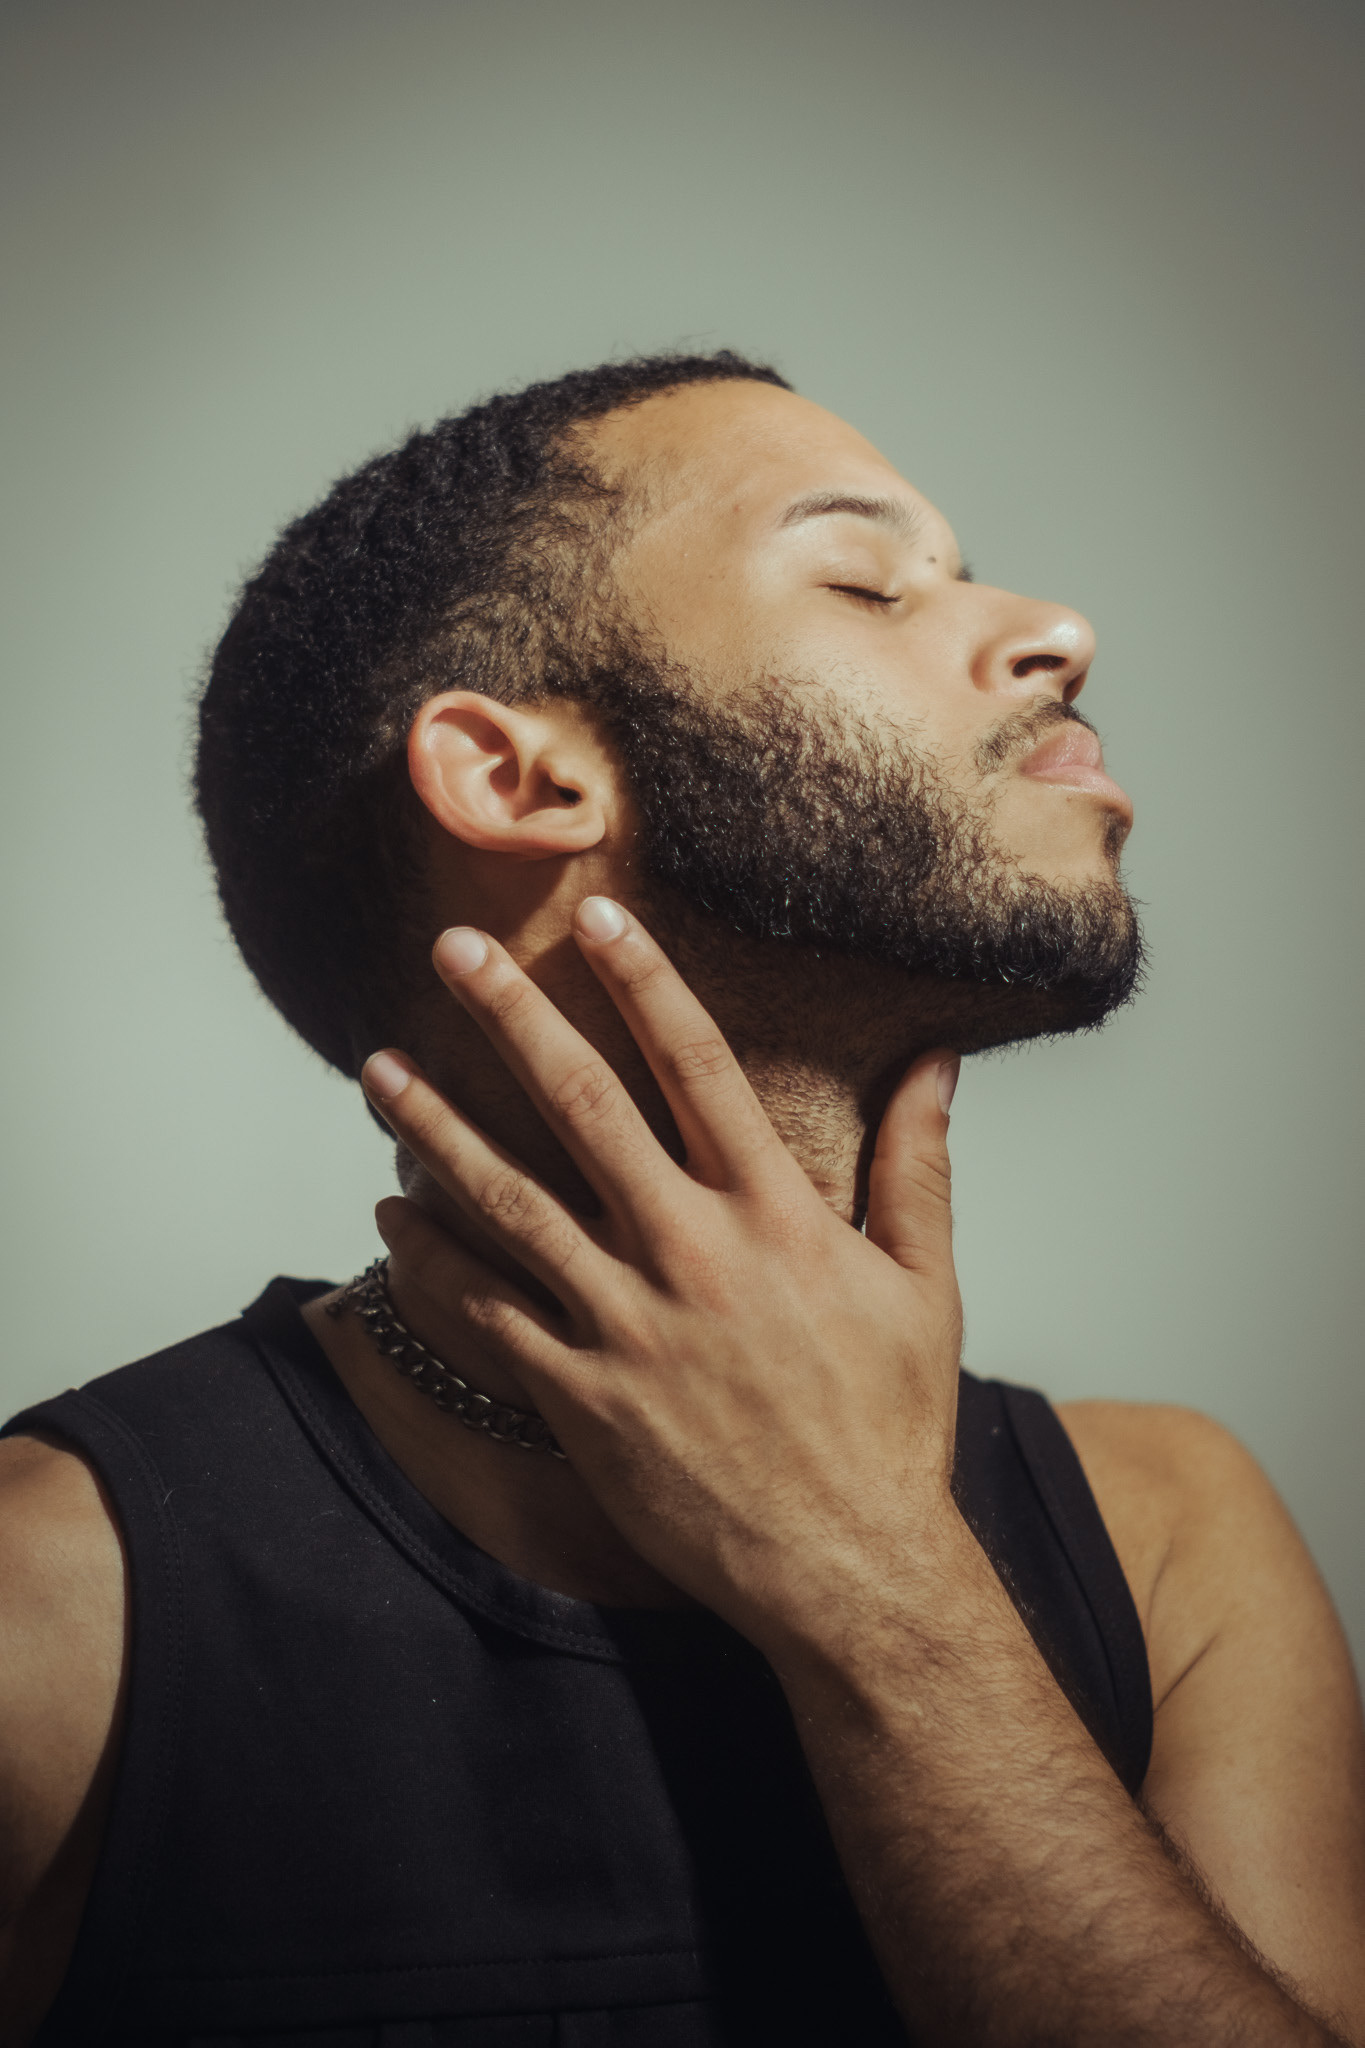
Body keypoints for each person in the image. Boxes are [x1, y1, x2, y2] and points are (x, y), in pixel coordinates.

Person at [1, 351, 1362, 2047]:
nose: (1057, 631)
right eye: (865, 580)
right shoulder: (51, 1605)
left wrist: (868, 1565)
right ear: (517, 778)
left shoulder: (1167, 1536)